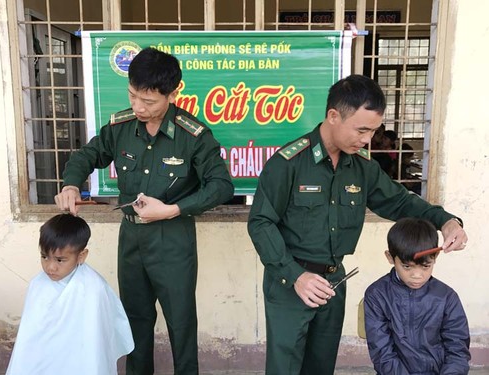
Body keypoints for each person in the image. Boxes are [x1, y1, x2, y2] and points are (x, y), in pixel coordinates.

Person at [247, 74, 468, 375]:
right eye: (362, 130)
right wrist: (296, 276)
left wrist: (448, 221)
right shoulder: (289, 163)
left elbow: (401, 202)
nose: (367, 140)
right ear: (334, 116)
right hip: (291, 283)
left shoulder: (362, 168)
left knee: (321, 367)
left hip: (334, 280)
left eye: (373, 131)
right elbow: (260, 222)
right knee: (284, 368)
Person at [54, 47, 234, 375]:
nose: (138, 107)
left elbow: (221, 186)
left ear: (173, 93)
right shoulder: (120, 127)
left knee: (180, 321)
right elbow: (87, 155)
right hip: (132, 239)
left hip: (173, 239)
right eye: (133, 96)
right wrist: (70, 183)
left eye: (148, 101)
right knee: (135, 319)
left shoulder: (193, 135)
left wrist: (172, 209)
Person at [6, 214, 134, 375]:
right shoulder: (37, 285)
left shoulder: (93, 288)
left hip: (81, 361)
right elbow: (30, 339)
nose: (50, 267)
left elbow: (95, 339)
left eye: (60, 260)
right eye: (44, 257)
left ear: (81, 256)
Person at [364, 217, 470, 374]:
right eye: (407, 266)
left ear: (435, 258)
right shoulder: (377, 295)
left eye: (426, 266)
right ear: (390, 258)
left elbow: (457, 349)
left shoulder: (447, 297)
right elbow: (382, 353)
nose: (417, 275)